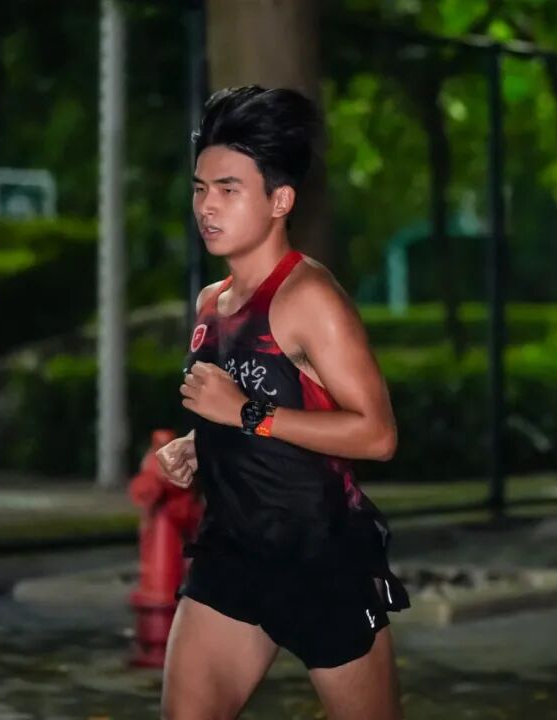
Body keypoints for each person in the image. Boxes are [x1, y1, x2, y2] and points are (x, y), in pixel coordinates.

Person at [154, 85, 407, 720]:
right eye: (200, 188)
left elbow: (377, 435)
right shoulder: (211, 303)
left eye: (228, 189)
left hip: (320, 561)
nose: (207, 207)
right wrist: (202, 443)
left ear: (280, 200)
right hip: (231, 555)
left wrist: (244, 415)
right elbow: (258, 403)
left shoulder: (308, 298)